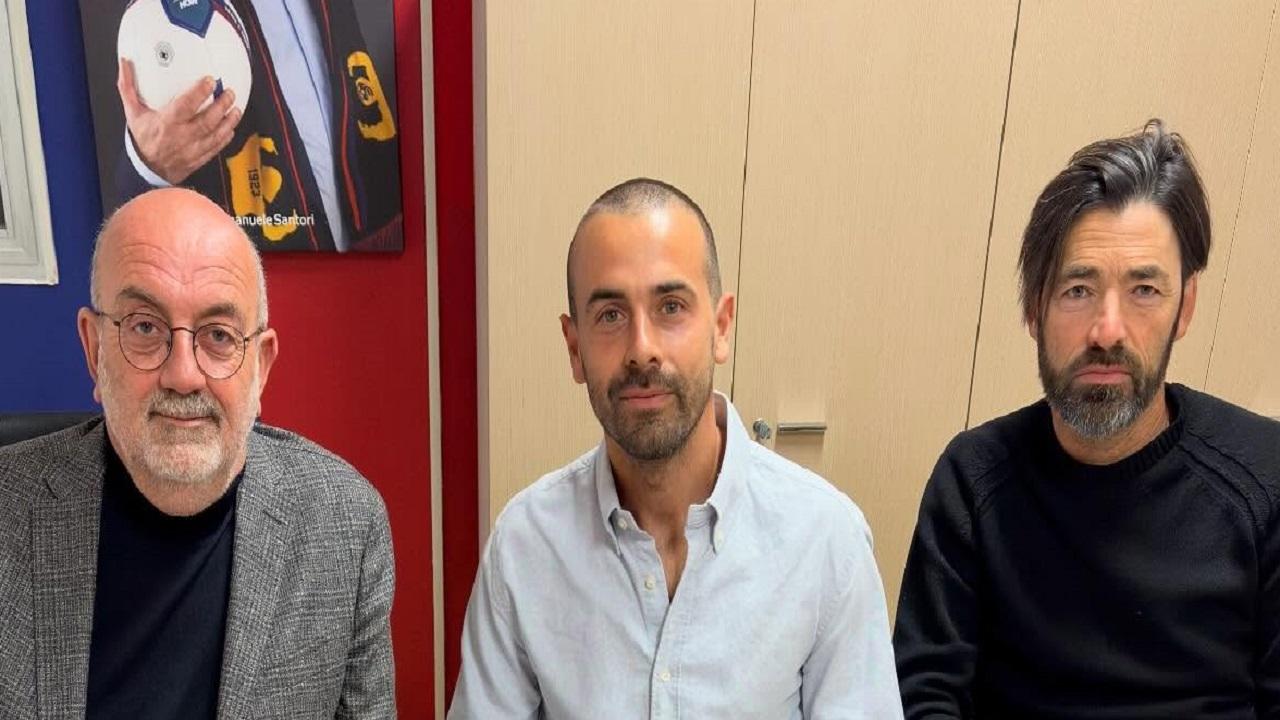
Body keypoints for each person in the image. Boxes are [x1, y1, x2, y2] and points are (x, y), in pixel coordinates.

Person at [449, 178, 903, 719]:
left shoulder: (826, 541)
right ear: (574, 348)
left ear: (721, 327)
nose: (642, 349)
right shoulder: (524, 547)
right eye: (611, 315)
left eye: (670, 306)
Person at [894, 120, 1280, 719]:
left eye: (1144, 289)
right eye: (1078, 289)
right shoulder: (973, 480)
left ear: (1185, 306)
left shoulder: (1266, 479)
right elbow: (925, 696)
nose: (1107, 331)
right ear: (1034, 308)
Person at [0, 188, 396, 718]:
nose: (183, 374)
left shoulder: (345, 525)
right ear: (95, 351)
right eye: (145, 327)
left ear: (261, 367)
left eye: (219, 336)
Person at [113, 0, 402, 252]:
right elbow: (125, 233)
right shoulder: (152, 15)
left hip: (371, 261)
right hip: (249, 280)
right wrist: (151, 165)